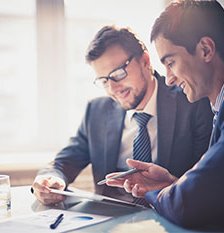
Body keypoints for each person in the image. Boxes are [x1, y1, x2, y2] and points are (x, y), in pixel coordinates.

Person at [31, 25, 213, 206]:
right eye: (104, 80)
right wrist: (49, 179)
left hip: (168, 215)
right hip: (109, 221)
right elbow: (64, 162)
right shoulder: (96, 111)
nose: (113, 88)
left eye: (118, 74)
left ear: (145, 61)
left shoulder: (192, 102)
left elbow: (205, 182)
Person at [105, 0, 224, 231]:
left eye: (170, 62)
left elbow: (186, 205)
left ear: (206, 50)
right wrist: (173, 184)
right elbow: (221, 190)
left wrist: (159, 192)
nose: (169, 79)